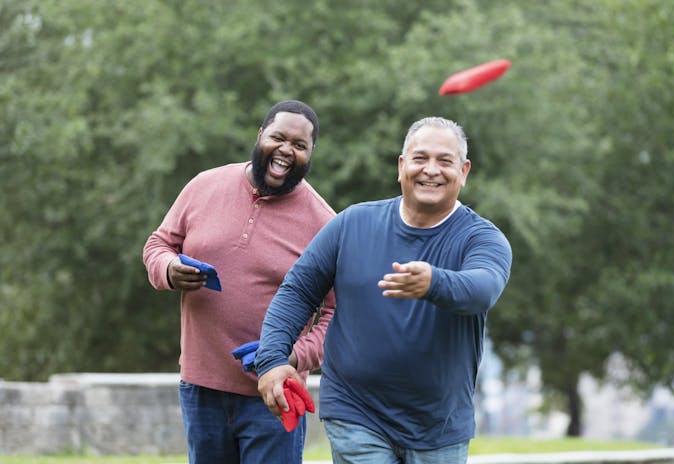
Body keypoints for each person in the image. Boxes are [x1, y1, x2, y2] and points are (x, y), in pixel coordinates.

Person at [255, 116, 513, 463]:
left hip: (439, 425)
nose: (431, 170)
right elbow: (298, 291)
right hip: (355, 412)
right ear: (402, 166)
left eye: (444, 161)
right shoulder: (351, 224)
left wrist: (434, 283)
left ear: (464, 171)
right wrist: (271, 359)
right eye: (420, 158)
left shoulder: (482, 239)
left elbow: (483, 289)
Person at [142, 100, 336, 464]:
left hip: (275, 394)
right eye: (278, 137)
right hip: (200, 388)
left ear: (311, 154)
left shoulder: (325, 223)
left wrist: (291, 356)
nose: (286, 150)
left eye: (299, 145)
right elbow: (158, 244)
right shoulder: (204, 185)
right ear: (260, 135)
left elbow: (337, 314)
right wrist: (168, 269)